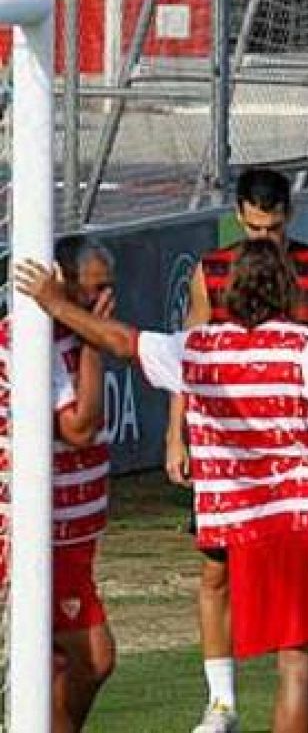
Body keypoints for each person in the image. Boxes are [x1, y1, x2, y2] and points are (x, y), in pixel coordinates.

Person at [20, 239, 308, 733]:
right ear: (288, 293)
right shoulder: (300, 345)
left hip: (240, 523)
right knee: (300, 668)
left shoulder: (200, 347)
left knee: (285, 657)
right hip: (300, 516)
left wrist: (55, 305)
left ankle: (222, 702)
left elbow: (122, 341)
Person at [174, 167, 308, 733]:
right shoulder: (214, 271)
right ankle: (222, 701)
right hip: (227, 465)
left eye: (273, 229)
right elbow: (189, 356)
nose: (264, 240)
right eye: (254, 228)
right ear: (239, 217)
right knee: (214, 574)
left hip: (295, 467)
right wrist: (175, 438)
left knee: (303, 608)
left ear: (289, 218)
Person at [0, 236, 114, 733]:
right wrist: (94, 337)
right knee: (90, 655)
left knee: (78, 665)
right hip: (32, 535)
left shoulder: (71, 336)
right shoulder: (32, 341)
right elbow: (80, 426)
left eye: (108, 289)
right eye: (92, 293)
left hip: (73, 537)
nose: (104, 302)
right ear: (61, 287)